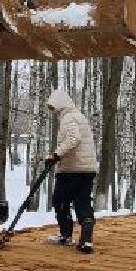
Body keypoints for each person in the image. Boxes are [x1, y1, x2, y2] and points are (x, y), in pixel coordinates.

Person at [42, 88, 98, 254]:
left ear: (60, 104)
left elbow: (74, 139)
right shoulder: (80, 116)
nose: (53, 111)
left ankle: (65, 235)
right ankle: (86, 238)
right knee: (82, 201)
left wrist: (56, 155)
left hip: (71, 169)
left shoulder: (68, 117)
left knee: (60, 200)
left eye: (53, 107)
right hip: (87, 169)